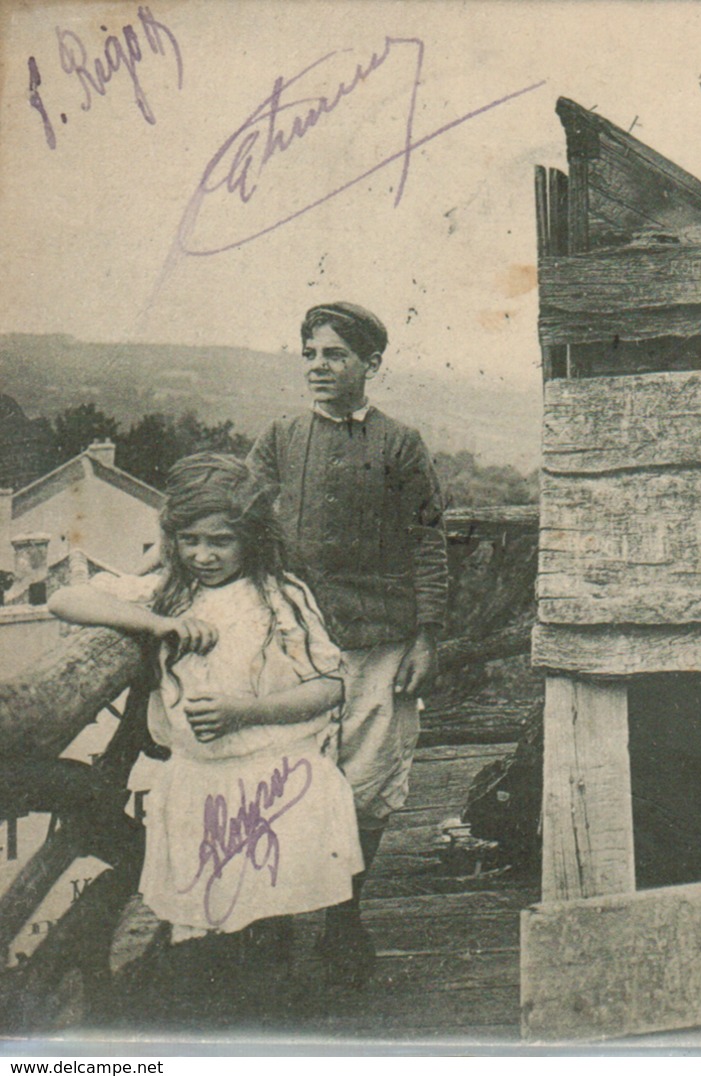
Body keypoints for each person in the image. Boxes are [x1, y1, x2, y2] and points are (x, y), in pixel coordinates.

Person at [48, 454, 362, 949]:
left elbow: (330, 685)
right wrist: (157, 624)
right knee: (206, 917)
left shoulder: (278, 596)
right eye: (189, 541)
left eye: (221, 541)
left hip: (269, 778)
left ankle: (268, 994)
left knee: (264, 915)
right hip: (198, 778)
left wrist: (244, 712)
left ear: (253, 539)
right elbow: (64, 600)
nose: (203, 555)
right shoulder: (169, 593)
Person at [248, 301, 448, 987]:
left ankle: (342, 921)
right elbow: (241, 516)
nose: (318, 367)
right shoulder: (279, 438)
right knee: (281, 776)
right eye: (309, 354)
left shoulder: (400, 445)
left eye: (334, 355)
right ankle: (271, 922)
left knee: (363, 785)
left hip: (378, 644)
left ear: (370, 365)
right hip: (295, 643)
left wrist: (425, 636)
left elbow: (427, 540)